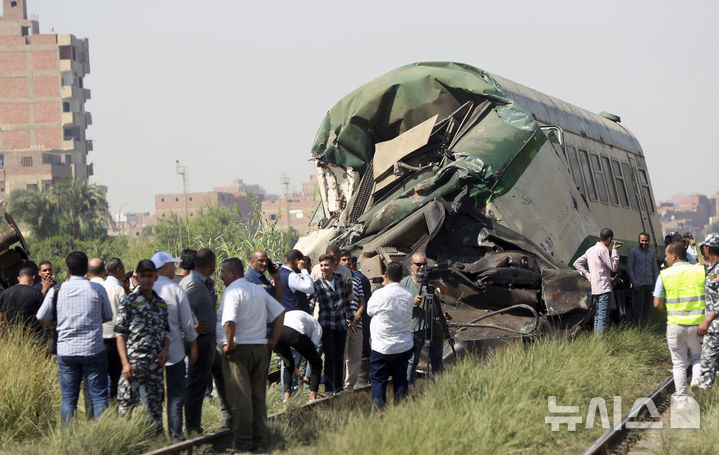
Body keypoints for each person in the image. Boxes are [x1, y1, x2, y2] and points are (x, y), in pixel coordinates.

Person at [217, 257, 285, 453]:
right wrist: (273, 339)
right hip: (260, 348)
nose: (221, 275)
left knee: (241, 399)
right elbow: (280, 313)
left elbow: (229, 321)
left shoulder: (233, 291)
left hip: (239, 350)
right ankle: (261, 441)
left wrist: (229, 342)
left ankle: (244, 444)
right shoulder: (257, 290)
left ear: (232, 273)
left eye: (223, 271)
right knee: (257, 397)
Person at [36, 251, 113, 423]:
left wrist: (54, 325)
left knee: (69, 399)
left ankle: (66, 440)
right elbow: (108, 316)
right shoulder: (98, 289)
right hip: (93, 349)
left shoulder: (57, 290)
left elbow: (41, 316)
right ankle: (104, 438)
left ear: (68, 270)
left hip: (66, 350)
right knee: (99, 397)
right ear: (86, 270)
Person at [115, 259, 170, 433]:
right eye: (143, 276)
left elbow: (167, 332)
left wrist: (165, 350)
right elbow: (120, 334)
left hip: (154, 364)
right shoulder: (129, 302)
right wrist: (125, 363)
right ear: (137, 278)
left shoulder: (161, 304)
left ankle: (157, 442)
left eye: (150, 276)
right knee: (125, 405)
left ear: (155, 277)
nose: (146, 279)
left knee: (155, 405)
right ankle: (125, 441)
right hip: (133, 363)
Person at [179, 247, 231, 432]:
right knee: (197, 384)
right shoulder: (193, 283)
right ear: (212, 264)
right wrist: (192, 327)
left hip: (205, 341)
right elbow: (180, 309)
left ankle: (228, 418)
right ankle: (192, 428)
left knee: (221, 373)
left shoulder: (196, 281)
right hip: (199, 341)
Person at [151, 252, 199, 440]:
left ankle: (156, 436)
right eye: (172, 265)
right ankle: (176, 435)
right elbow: (188, 323)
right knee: (176, 395)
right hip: (176, 352)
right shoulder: (175, 289)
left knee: (154, 397)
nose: (174, 268)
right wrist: (194, 347)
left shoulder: (145, 289)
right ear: (164, 267)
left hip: (152, 354)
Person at [653, 241, 705, 399]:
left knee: (679, 363)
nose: (665, 257)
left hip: (675, 325)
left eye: (667, 255)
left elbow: (656, 303)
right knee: (698, 357)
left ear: (674, 256)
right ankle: (696, 379)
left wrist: (668, 310)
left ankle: (681, 398)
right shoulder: (699, 271)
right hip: (698, 325)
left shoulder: (665, 274)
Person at [367, 261, 414, 411]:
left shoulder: (379, 294)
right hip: (403, 345)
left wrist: (382, 286)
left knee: (378, 380)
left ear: (385, 274)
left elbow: (370, 311)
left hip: (383, 346)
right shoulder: (408, 294)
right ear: (402, 277)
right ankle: (400, 411)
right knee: (400, 380)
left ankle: (379, 413)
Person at [311, 254, 353, 395]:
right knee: (329, 356)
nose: (323, 268)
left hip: (341, 323)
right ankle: (329, 389)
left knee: (340, 356)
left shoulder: (340, 279)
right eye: (321, 265)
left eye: (326, 265)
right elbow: (312, 302)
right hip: (326, 323)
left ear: (333, 266)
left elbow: (346, 300)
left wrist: (350, 316)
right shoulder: (317, 283)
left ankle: (339, 388)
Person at [402, 252, 443, 384]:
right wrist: (412, 302)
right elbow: (398, 307)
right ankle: (409, 390)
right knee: (412, 360)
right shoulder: (405, 283)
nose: (422, 267)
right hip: (415, 326)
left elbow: (445, 292)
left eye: (424, 264)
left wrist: (438, 284)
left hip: (434, 326)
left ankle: (440, 387)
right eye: (418, 264)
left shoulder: (431, 281)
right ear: (411, 265)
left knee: (436, 359)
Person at [277, 249, 314, 396]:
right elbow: (309, 288)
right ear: (298, 261)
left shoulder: (278, 274)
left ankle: (289, 393)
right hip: (294, 325)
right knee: (292, 361)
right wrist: (304, 270)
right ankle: (288, 393)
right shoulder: (291, 275)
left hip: (284, 322)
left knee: (289, 361)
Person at [573, 228, 620, 335]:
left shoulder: (590, 250)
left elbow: (577, 264)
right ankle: (600, 342)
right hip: (604, 288)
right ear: (609, 239)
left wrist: (588, 275)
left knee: (598, 315)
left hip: (595, 288)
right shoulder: (603, 250)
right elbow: (613, 267)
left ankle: (597, 340)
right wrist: (615, 251)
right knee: (603, 316)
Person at [274, 310, 323, 402]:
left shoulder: (302, 317)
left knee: (288, 364)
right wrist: (312, 379)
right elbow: (312, 358)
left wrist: (302, 377)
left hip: (275, 334)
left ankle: (286, 400)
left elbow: (292, 365)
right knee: (317, 362)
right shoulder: (318, 327)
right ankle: (312, 399)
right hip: (294, 331)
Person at [339, 250, 365, 390]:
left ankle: (349, 387)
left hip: (356, 324)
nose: (347, 262)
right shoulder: (337, 278)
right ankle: (339, 387)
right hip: (342, 324)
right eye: (344, 259)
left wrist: (358, 315)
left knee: (355, 358)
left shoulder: (357, 279)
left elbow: (362, 301)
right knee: (341, 358)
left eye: (349, 259)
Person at [0, 263, 46, 339]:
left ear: (18, 278)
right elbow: (44, 314)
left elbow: (1, 315)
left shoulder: (6, 293)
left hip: (11, 337)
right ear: (33, 278)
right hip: (32, 338)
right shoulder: (37, 293)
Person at [103, 257, 127, 400]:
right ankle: (115, 405)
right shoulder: (119, 290)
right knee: (116, 377)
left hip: (100, 339)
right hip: (115, 339)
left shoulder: (101, 287)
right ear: (118, 269)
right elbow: (124, 316)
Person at [697, 234, 719, 390]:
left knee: (707, 363)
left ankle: (703, 401)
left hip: (714, 325)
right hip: (714, 326)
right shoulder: (711, 269)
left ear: (708, 248)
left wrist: (707, 320)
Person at [626, 232, 659, 326]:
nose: (644, 242)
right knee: (637, 307)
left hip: (649, 284)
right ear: (639, 241)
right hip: (638, 285)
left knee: (647, 307)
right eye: (642, 240)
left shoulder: (652, 253)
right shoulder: (633, 252)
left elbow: (655, 269)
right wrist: (634, 282)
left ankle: (644, 326)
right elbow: (629, 268)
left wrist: (656, 284)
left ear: (649, 241)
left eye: (646, 240)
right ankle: (635, 327)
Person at [350, 255, 372, 385]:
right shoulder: (362, 278)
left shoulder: (357, 279)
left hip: (360, 318)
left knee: (361, 348)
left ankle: (361, 380)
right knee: (364, 347)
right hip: (364, 318)